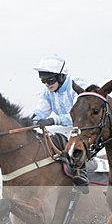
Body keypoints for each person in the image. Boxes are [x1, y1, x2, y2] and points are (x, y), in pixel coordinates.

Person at [32, 55, 91, 189]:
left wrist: (53, 120)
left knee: (61, 136)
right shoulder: (48, 92)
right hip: (67, 128)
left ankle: (81, 172)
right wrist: (31, 122)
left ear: (61, 76)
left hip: (86, 127)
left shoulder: (77, 85)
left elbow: (80, 116)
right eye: (43, 81)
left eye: (50, 80)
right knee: (44, 137)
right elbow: (40, 112)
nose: (47, 84)